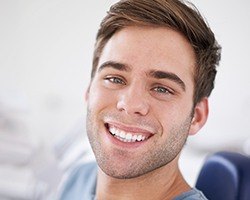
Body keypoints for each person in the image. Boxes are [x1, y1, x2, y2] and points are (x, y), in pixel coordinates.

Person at [59, 0, 221, 199]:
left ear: (196, 117)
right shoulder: (79, 178)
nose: (129, 104)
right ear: (89, 89)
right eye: (114, 79)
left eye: (162, 89)